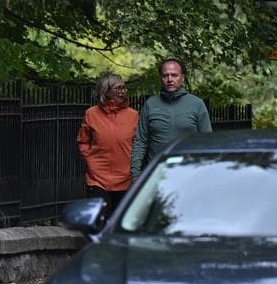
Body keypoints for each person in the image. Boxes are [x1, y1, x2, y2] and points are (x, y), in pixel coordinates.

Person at [131, 58, 212, 178]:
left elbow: (207, 141)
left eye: (174, 75)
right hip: (156, 173)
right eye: (165, 75)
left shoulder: (196, 104)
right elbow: (140, 141)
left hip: (189, 172)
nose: (170, 79)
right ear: (161, 78)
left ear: (182, 77)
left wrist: (206, 172)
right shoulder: (150, 104)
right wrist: (135, 174)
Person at [77, 73, 138, 215]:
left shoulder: (134, 115)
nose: (123, 91)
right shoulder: (91, 114)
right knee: (98, 219)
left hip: (125, 178)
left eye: (124, 88)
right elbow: (83, 141)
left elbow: (140, 144)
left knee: (120, 221)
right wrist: (90, 160)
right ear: (106, 91)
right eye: (118, 88)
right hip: (97, 179)